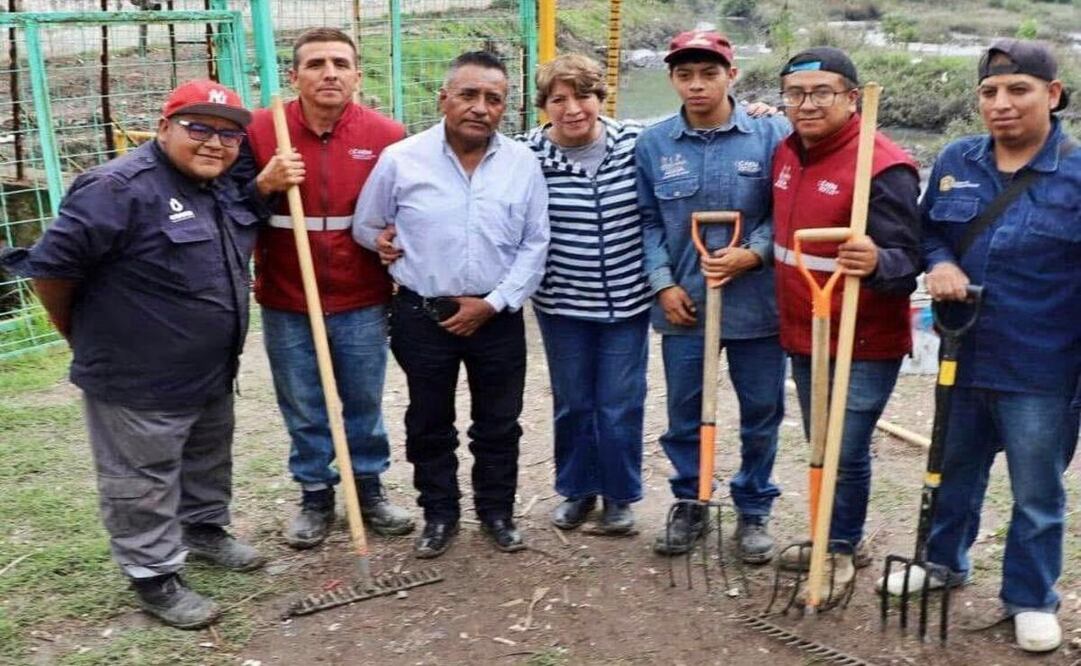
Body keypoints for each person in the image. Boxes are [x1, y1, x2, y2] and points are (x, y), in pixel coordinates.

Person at [0, 80, 275, 629]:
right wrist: (79, 333)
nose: (214, 143)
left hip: (209, 369)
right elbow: (52, 271)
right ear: (164, 126)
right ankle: (153, 576)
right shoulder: (117, 188)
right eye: (198, 128)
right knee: (140, 477)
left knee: (205, 457)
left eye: (228, 134)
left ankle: (203, 529)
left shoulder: (218, 184)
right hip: (136, 374)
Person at [880, 39, 1080, 653]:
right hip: (961, 356)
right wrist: (938, 265)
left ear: (1052, 95)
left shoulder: (1075, 174)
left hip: (1042, 369)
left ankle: (1030, 597)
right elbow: (931, 231)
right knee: (951, 471)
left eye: (1018, 90)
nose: (1001, 103)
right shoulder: (956, 161)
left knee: (1036, 491)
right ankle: (942, 564)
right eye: (989, 92)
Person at [352, 51, 549, 558]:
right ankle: (439, 515)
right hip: (423, 315)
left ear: (504, 107)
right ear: (444, 98)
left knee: (499, 422)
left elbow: (535, 244)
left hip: (497, 317)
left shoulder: (522, 165)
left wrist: (495, 302)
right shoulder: (402, 159)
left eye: (493, 98)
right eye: (468, 94)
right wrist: (383, 242)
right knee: (429, 421)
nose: (480, 107)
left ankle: (497, 512)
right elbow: (366, 224)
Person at [236, 28, 413, 549]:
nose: (329, 72)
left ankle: (369, 489)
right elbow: (229, 206)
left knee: (362, 397)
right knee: (303, 401)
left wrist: (393, 236)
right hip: (287, 295)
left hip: (361, 295)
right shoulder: (262, 131)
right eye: (315, 64)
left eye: (340, 63)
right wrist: (263, 185)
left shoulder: (387, 135)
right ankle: (315, 494)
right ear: (295, 76)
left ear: (358, 75)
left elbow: (405, 209)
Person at [767, 47, 921, 595]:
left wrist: (880, 261)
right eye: (795, 93)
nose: (807, 104)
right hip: (805, 326)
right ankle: (829, 534)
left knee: (844, 447)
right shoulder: (786, 151)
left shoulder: (883, 165)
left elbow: (909, 260)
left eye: (822, 93)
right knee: (818, 443)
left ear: (851, 98)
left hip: (864, 337)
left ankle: (837, 548)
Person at [636, 30, 790, 562]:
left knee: (762, 409)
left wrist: (756, 252)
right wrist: (663, 284)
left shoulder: (773, 135)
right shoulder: (653, 144)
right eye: (685, 74)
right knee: (684, 410)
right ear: (673, 79)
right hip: (686, 306)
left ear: (733, 74)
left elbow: (783, 212)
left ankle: (753, 507)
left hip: (758, 307)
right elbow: (647, 222)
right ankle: (691, 500)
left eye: (708, 73)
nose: (696, 85)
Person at [520, 54, 652, 535]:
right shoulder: (526, 154)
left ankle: (619, 497)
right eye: (559, 99)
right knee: (574, 401)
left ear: (601, 98)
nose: (573, 108)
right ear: (544, 106)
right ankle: (577, 491)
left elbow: (690, 132)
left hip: (628, 302)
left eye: (584, 95)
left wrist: (759, 114)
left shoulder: (636, 142)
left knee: (620, 401)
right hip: (562, 304)